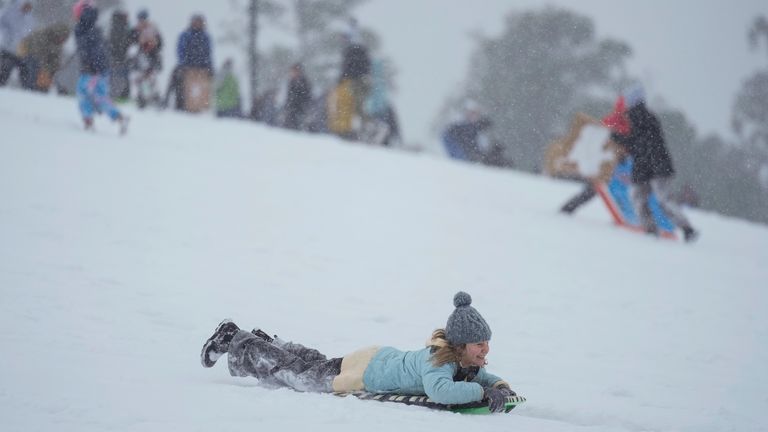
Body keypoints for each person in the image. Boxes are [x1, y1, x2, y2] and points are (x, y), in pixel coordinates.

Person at [200, 291, 516, 411]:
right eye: (479, 344)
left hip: (375, 358)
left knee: (319, 363)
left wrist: (499, 386)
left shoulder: (458, 358)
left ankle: (267, 343)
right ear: (461, 346)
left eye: (486, 342)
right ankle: (236, 338)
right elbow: (442, 391)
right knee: (301, 377)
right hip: (366, 372)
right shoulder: (439, 362)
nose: (485, 349)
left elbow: (483, 375)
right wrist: (483, 395)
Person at [611, 84, 698, 242]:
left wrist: (618, 138)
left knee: (659, 198)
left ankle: (681, 228)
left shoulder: (640, 117)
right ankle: (655, 229)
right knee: (644, 197)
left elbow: (637, 143)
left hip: (654, 165)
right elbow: (638, 144)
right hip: (649, 165)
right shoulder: (642, 117)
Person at [74, 5, 128, 133]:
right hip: (99, 69)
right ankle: (115, 117)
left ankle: (90, 120)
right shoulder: (94, 28)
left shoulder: (84, 29)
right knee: (97, 95)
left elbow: (89, 50)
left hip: (93, 70)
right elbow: (99, 49)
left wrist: (92, 65)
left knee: (87, 94)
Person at [164, 14, 212, 112]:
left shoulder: (205, 37)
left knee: (203, 86)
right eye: (195, 21)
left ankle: (200, 106)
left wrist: (208, 66)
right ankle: (171, 103)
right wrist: (184, 64)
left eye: (199, 22)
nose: (197, 24)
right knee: (176, 78)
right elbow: (180, 50)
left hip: (201, 67)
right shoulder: (186, 35)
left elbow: (208, 53)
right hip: (186, 65)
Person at [18, 22, 70, 92]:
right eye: (62, 37)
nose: (62, 40)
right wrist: (45, 69)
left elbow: (55, 58)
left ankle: (44, 88)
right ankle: (31, 89)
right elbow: (40, 54)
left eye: (65, 38)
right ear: (57, 34)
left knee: (51, 70)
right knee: (35, 68)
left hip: (41, 58)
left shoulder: (57, 43)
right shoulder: (42, 36)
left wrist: (54, 68)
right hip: (27, 53)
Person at [130, 9, 163, 108]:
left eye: (143, 19)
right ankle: (143, 97)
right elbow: (132, 42)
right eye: (140, 19)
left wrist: (153, 47)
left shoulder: (153, 29)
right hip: (141, 56)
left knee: (150, 77)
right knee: (141, 77)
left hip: (151, 56)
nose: (142, 21)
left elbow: (160, 43)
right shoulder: (136, 29)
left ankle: (153, 97)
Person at [0, 0, 35, 86]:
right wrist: (7, 35)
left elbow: (30, 32)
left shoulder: (30, 18)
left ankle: (26, 92)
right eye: (26, 6)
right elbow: (2, 23)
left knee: (26, 74)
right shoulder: (10, 11)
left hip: (22, 51)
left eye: (30, 7)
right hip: (8, 48)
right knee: (5, 69)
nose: (27, 8)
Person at [107, 10, 131, 100]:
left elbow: (111, 43)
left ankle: (114, 93)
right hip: (122, 58)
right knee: (123, 76)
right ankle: (123, 94)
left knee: (113, 76)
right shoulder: (123, 27)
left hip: (114, 58)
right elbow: (125, 43)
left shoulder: (113, 27)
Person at [282, 63, 312, 130]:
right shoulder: (291, 82)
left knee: (299, 128)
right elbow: (289, 96)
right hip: (292, 109)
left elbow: (307, 97)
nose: (292, 73)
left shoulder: (304, 82)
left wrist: (306, 108)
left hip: (301, 109)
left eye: (294, 71)